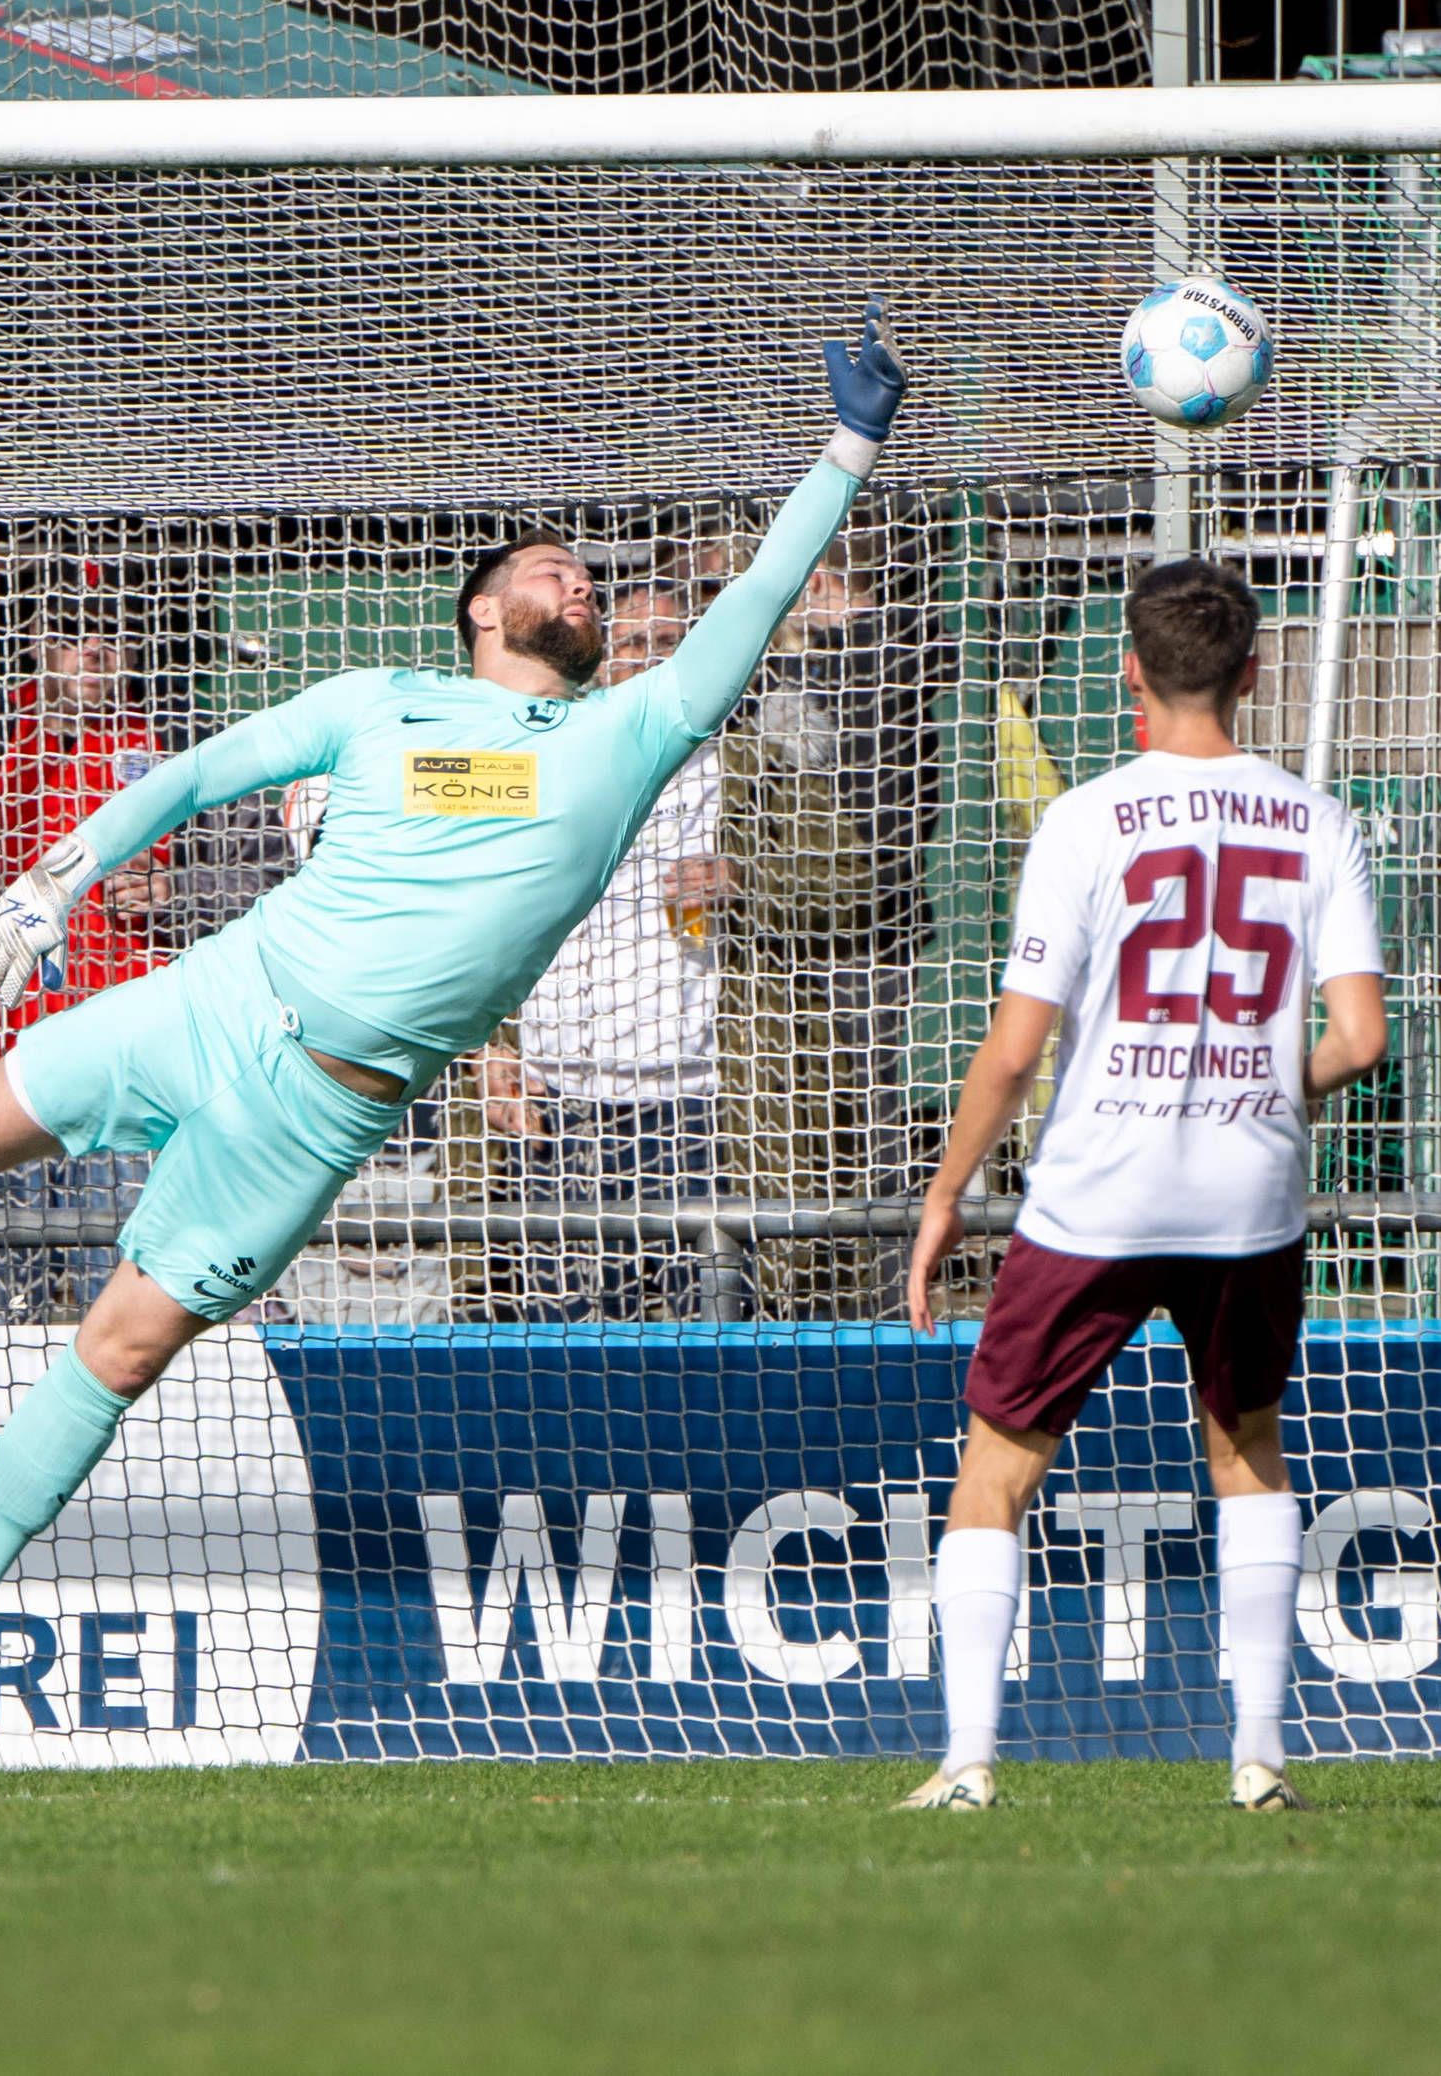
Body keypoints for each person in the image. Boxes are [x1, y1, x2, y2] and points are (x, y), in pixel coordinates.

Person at [0, 320, 914, 1749]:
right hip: (216, 996)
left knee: (128, 1345)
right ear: (479, 611)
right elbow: (199, 774)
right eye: (548, 567)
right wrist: (53, 878)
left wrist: (846, 449)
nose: (577, 581)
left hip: (321, 1109)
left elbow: (761, 593)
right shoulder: (377, 705)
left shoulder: (632, 733)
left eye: (586, 577)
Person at [897, 559, 1387, 1816]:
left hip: (1095, 1190)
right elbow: (1360, 1038)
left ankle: (965, 1765)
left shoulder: (1087, 819)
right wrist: (1260, 1084)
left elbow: (1013, 1049)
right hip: (1247, 1191)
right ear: (1253, 673)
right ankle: (1260, 1758)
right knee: (1248, 1451)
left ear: (1127, 671)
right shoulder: (1319, 821)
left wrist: (948, 1194)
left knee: (997, 1465)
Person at [0, 580, 278, 1319]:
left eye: (110, 632)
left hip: (138, 1067)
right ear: (36, 641)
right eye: (70, 631)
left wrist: (182, 894)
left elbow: (276, 877)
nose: (92, 648)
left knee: (126, 1303)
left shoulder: (183, 740)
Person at [477, 576, 730, 1318]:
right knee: (558, 1338)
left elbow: (848, 879)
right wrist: (490, 1048)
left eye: (670, 644)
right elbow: (482, 914)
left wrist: (749, 875)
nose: (652, 659)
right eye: (633, 643)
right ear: (600, 657)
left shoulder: (748, 762)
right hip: (557, 1096)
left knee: (709, 1336)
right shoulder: (541, 749)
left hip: (697, 1099)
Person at [720, 529, 947, 1308]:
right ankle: (794, 1284)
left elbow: (875, 839)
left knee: (860, 1123)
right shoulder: (783, 671)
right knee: (792, 1123)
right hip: (774, 940)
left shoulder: (874, 663)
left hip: (856, 939)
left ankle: (869, 1292)